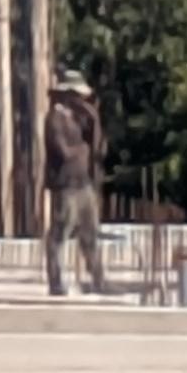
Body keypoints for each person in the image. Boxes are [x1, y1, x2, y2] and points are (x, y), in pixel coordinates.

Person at [42, 72, 108, 294]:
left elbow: (98, 147)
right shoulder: (55, 119)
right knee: (60, 233)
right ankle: (56, 280)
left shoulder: (80, 119)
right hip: (66, 185)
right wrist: (84, 150)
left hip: (84, 183)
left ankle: (98, 278)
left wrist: (95, 119)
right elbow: (63, 152)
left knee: (90, 233)